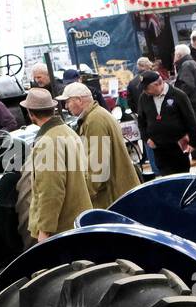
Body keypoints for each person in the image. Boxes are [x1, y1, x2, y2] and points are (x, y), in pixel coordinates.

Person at [19, 87, 91, 241]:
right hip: (79, 221)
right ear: (52, 109)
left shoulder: (46, 142)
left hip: (62, 229)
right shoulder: (69, 132)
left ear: (31, 113)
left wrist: (45, 230)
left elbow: (51, 190)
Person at [59, 82, 140, 209]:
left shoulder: (94, 121)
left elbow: (97, 168)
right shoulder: (97, 115)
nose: (65, 106)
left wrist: (84, 198)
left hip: (112, 197)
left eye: (68, 101)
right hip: (117, 192)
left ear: (79, 100)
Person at [136, 70, 196, 176]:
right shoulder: (144, 98)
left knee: (181, 179)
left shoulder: (178, 95)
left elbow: (190, 120)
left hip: (178, 148)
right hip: (159, 149)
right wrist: (146, 138)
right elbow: (141, 121)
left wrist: (193, 143)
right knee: (166, 179)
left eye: (146, 88)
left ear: (158, 84)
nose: (145, 91)